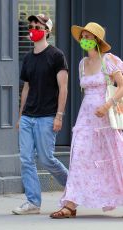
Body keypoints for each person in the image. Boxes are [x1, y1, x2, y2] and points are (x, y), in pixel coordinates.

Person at [50, 22, 123, 219]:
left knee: (114, 159)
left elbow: (122, 85)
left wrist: (107, 105)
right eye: (83, 37)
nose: (85, 40)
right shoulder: (82, 63)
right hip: (85, 118)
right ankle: (70, 204)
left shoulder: (109, 59)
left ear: (97, 40)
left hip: (106, 118)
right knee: (79, 158)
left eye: (88, 37)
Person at [12, 14, 69, 215]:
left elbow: (63, 88)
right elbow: (26, 88)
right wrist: (20, 116)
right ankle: (33, 202)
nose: (33, 28)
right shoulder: (27, 58)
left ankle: (73, 188)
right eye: (31, 25)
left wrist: (59, 116)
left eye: (38, 25)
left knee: (46, 159)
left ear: (47, 30)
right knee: (26, 159)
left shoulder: (56, 56)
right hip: (28, 117)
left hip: (47, 116)